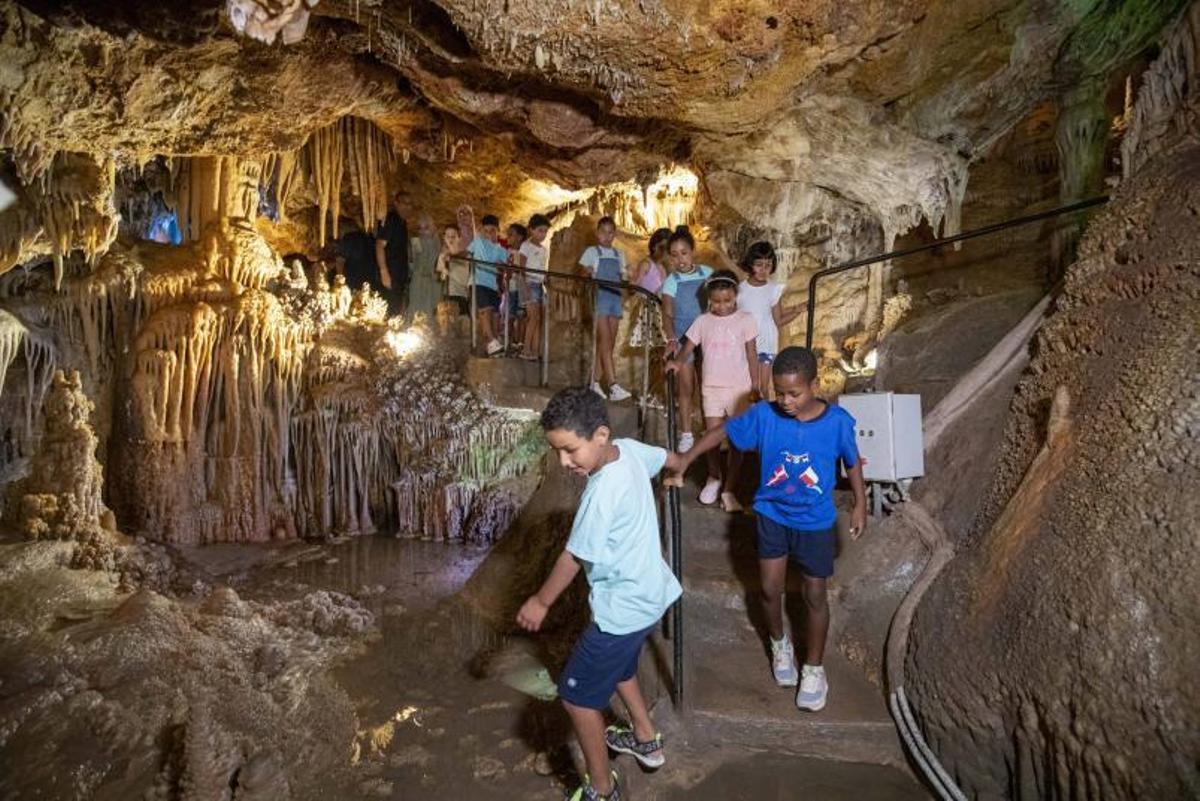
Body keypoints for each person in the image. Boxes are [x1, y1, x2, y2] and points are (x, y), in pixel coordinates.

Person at [668, 347, 867, 712]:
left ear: (815, 385)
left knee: (815, 593)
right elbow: (720, 433)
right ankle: (780, 644)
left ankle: (814, 668)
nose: (786, 401)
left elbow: (852, 462)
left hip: (815, 522)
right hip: (772, 516)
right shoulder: (763, 416)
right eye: (780, 392)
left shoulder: (837, 421)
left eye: (795, 393)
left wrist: (860, 504)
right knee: (770, 589)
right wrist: (686, 458)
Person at [518, 387, 683, 801]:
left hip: (621, 609)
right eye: (557, 452)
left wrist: (540, 602)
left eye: (570, 450)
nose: (564, 462)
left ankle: (602, 789)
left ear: (600, 435)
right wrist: (678, 468)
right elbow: (667, 458)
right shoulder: (627, 451)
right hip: (648, 594)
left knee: (576, 698)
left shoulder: (600, 493)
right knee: (622, 667)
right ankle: (645, 739)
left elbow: (573, 557)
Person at [666, 270, 757, 511]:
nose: (722, 306)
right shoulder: (702, 321)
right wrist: (678, 361)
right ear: (709, 299)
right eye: (716, 301)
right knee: (712, 436)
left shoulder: (746, 319)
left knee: (737, 439)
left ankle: (729, 489)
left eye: (727, 300)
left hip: (739, 388)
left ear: (735, 296)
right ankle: (714, 477)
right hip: (711, 387)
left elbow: (751, 354)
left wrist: (755, 386)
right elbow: (688, 347)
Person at [660, 226, 713, 452]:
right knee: (685, 387)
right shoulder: (671, 281)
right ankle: (686, 432)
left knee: (708, 385)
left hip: (708, 338)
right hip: (684, 339)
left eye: (684, 252)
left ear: (692, 251)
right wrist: (671, 338)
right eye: (674, 254)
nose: (680, 259)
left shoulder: (707, 273)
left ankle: (710, 430)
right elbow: (667, 313)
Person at [738, 242, 803, 398]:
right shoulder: (740, 289)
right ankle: (748, 419)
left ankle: (764, 420)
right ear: (750, 264)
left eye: (768, 265)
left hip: (766, 343)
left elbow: (778, 319)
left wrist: (797, 311)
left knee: (763, 387)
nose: (763, 270)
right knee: (746, 386)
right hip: (745, 344)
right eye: (759, 265)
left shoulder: (774, 289)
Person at [578, 216, 632, 402]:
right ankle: (612, 385)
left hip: (615, 299)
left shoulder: (619, 254)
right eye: (603, 232)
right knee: (606, 340)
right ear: (597, 233)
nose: (607, 236)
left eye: (610, 232)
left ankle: (593, 383)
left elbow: (624, 275)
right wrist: (589, 272)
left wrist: (629, 277)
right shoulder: (592, 252)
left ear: (614, 234)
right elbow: (582, 271)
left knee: (607, 344)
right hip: (600, 297)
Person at [461, 207, 507, 356]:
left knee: (495, 314)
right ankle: (491, 341)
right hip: (478, 281)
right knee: (484, 310)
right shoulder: (478, 241)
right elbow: (466, 249)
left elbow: (506, 266)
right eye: (486, 231)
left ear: (498, 231)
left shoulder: (501, 249)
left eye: (492, 231)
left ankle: (493, 343)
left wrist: (501, 285)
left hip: (492, 285)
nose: (489, 234)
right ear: (482, 230)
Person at [628, 228, 669, 350]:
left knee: (660, 342)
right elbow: (635, 285)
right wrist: (629, 278)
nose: (663, 253)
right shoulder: (646, 264)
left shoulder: (662, 268)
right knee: (652, 342)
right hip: (647, 307)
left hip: (658, 308)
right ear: (654, 246)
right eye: (662, 248)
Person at [518, 213, 551, 362]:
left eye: (545, 231)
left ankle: (536, 351)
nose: (543, 234)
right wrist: (523, 287)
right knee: (533, 317)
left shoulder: (544, 250)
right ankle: (526, 348)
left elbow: (542, 269)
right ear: (531, 230)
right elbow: (522, 267)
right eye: (540, 230)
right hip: (529, 283)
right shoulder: (526, 246)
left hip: (539, 284)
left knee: (538, 319)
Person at [375, 190, 413, 315]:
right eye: (404, 203)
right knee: (389, 310)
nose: (407, 206)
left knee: (395, 310)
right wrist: (384, 271)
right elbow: (380, 244)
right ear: (396, 203)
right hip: (390, 274)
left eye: (410, 203)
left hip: (398, 276)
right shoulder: (392, 220)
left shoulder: (402, 223)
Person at [407, 212, 443, 317]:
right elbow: (413, 263)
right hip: (418, 281)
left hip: (433, 282)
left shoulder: (437, 242)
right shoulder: (415, 242)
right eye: (420, 228)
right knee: (416, 310)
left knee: (432, 310)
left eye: (426, 228)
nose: (422, 231)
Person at [436, 223, 471, 318]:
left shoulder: (465, 256)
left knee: (462, 328)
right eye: (448, 236)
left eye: (453, 236)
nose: (450, 239)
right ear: (444, 238)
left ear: (459, 238)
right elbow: (440, 279)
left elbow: (464, 280)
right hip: (446, 297)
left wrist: (447, 271)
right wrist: (442, 267)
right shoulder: (442, 255)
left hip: (460, 297)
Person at [505, 222, 528, 350]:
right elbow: (507, 270)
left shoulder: (525, 252)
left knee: (521, 315)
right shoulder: (508, 252)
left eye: (511, 234)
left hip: (522, 286)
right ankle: (510, 341)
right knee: (510, 315)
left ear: (520, 237)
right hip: (512, 286)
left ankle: (520, 341)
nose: (508, 236)